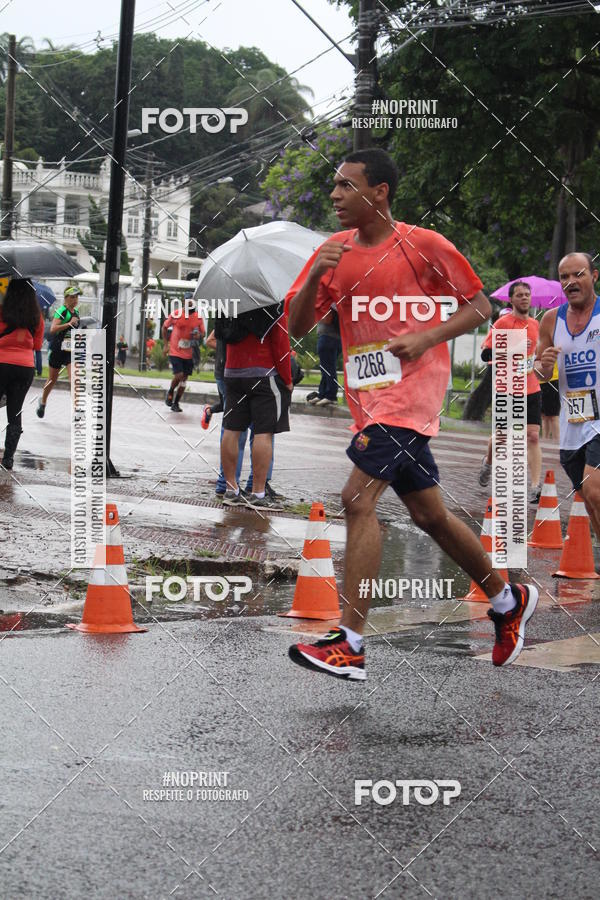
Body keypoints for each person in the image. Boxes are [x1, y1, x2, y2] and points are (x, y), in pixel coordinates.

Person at [285, 147, 537, 680]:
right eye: (333, 186)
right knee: (430, 515)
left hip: (411, 397)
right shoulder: (333, 251)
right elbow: (298, 327)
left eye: (347, 186)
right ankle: (505, 599)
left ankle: (349, 641)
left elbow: (478, 305)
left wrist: (427, 335)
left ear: (380, 193)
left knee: (356, 499)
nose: (334, 195)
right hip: (369, 401)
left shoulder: (423, 245)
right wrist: (312, 281)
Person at [536, 252, 600, 542]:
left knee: (594, 489)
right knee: (588, 499)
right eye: (565, 277)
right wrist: (545, 366)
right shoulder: (551, 320)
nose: (571, 282)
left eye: (579, 274)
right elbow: (538, 372)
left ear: (594, 276)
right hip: (573, 419)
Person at [220, 307, 292, 509]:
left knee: (231, 429)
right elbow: (280, 344)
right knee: (264, 432)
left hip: (233, 372)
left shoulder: (229, 301)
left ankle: (230, 489)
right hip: (263, 372)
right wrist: (287, 379)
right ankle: (258, 494)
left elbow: (222, 335)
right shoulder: (271, 300)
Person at [477, 282, 543, 503]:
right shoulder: (502, 323)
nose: (524, 298)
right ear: (511, 299)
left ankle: (535, 486)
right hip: (507, 389)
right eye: (520, 295)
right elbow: (485, 355)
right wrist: (511, 350)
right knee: (502, 437)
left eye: (527, 294)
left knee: (532, 436)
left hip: (531, 387)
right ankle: (488, 462)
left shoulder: (535, 324)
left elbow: (536, 355)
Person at [0, 279, 44, 469]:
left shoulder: (2, 311)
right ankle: (8, 458)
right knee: (15, 412)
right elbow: (37, 345)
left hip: (1, 363)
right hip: (25, 367)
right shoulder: (36, 317)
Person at [36, 285, 81, 418]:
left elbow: (73, 330)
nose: (75, 300)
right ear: (66, 298)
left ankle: (77, 410)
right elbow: (53, 329)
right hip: (57, 349)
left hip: (70, 350)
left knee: (75, 379)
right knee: (52, 380)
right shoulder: (62, 311)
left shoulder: (76, 313)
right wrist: (69, 324)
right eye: (72, 297)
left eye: (77, 297)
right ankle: (43, 402)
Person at [162, 299, 205, 412]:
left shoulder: (198, 317)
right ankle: (171, 390)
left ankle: (176, 403)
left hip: (188, 353)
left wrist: (198, 336)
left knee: (184, 379)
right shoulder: (176, 314)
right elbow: (164, 327)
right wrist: (166, 344)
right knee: (179, 375)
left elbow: (203, 333)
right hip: (175, 350)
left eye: (192, 309)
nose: (190, 313)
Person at [305, 307, 342, 407]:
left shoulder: (329, 301)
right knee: (325, 367)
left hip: (329, 337)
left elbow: (328, 317)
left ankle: (330, 396)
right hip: (330, 337)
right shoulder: (328, 300)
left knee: (328, 367)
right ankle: (323, 394)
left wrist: (318, 311)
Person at [539, 360, 560, 440]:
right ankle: (545, 441)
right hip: (539, 382)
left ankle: (557, 442)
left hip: (552, 380)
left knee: (553, 416)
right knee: (544, 416)